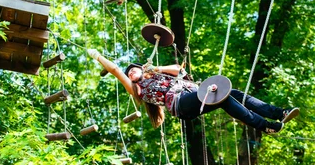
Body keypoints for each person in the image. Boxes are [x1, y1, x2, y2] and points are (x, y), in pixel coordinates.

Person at [87, 49, 300, 134]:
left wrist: (157, 68)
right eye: (130, 73)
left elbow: (179, 70)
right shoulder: (138, 89)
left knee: (231, 93)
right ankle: (265, 126)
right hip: (180, 104)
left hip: (194, 93)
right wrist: (97, 56)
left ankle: (278, 113)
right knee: (223, 98)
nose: (131, 72)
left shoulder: (158, 75)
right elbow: (116, 70)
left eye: (134, 69)